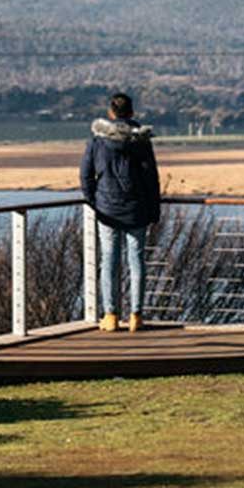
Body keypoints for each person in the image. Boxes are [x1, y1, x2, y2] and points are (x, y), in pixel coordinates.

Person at [80, 91, 161, 332]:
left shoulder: (96, 141)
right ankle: (136, 315)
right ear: (132, 113)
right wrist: (153, 210)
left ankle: (111, 315)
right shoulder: (141, 142)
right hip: (137, 209)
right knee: (136, 261)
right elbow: (151, 179)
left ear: (110, 113)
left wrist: (94, 200)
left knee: (109, 261)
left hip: (107, 210)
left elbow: (85, 175)